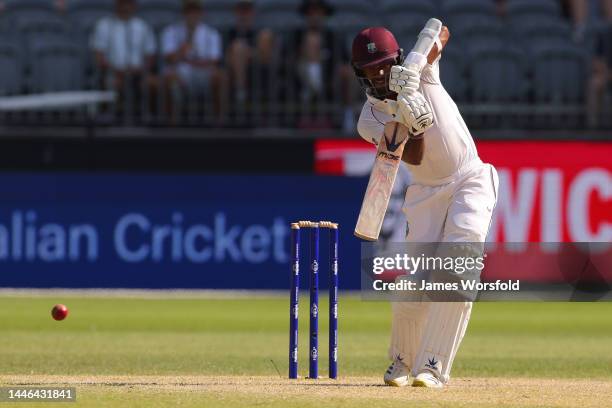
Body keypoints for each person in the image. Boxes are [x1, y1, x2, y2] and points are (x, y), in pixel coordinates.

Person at [352, 25, 499, 388]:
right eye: (372, 70)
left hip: (470, 178)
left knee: (458, 266)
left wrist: (414, 73)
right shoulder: (368, 120)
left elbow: (440, 30)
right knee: (415, 283)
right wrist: (408, 117)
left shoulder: (420, 70)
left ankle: (433, 367)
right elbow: (412, 155)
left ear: (397, 58)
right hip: (424, 194)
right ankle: (403, 361)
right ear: (362, 74)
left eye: (386, 65)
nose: (381, 74)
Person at [293, 0, 355, 132]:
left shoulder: (334, 37)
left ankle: (348, 114)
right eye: (311, 12)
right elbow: (287, 61)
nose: (315, 16)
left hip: (330, 82)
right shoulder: (295, 36)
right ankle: (310, 91)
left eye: (318, 12)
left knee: (347, 72)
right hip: (300, 80)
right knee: (311, 40)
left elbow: (345, 62)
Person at [162, 0, 226, 122]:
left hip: (204, 73)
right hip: (181, 72)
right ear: (183, 13)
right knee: (169, 78)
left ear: (201, 13)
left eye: (195, 11)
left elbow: (214, 60)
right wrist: (183, 50)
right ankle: (172, 124)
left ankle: (219, 124)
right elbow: (169, 58)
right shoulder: (171, 31)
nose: (192, 15)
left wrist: (189, 61)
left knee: (220, 77)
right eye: (189, 11)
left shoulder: (211, 33)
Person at [91, 0, 157, 118]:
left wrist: (140, 70)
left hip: (138, 73)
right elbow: (99, 56)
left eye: (129, 3)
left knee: (153, 83)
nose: (125, 7)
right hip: (113, 73)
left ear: (134, 6)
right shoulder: (104, 25)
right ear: (116, 4)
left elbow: (150, 56)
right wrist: (116, 70)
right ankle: (110, 118)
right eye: (122, 3)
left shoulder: (142, 26)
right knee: (111, 83)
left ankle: (147, 117)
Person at [226, 0, 276, 109]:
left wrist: (246, 53)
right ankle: (240, 91)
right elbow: (227, 57)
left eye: (247, 11)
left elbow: (265, 55)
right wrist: (244, 53)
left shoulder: (260, 32)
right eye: (241, 11)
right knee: (238, 47)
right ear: (236, 13)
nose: (244, 15)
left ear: (253, 12)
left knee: (265, 36)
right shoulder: (230, 33)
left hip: (261, 67)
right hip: (236, 71)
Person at [587, 23, 612, 127]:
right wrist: (607, 72)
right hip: (607, 75)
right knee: (594, 83)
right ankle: (594, 126)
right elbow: (596, 62)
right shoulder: (605, 34)